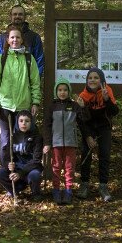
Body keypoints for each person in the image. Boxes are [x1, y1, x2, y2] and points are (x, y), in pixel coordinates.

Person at [0, 24, 41, 168]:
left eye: (17, 37)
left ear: (22, 40)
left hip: (24, 106)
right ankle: (7, 172)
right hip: (5, 106)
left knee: (23, 141)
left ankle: (22, 171)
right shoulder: (2, 58)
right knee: (6, 141)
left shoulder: (29, 58)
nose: (15, 40)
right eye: (12, 37)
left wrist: (35, 102)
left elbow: (35, 82)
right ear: (7, 40)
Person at [43, 77, 88, 205]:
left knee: (69, 168)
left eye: (65, 90)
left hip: (70, 143)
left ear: (69, 91)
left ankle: (68, 190)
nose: (62, 92)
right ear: (56, 91)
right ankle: (56, 190)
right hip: (56, 143)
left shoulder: (74, 106)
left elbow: (84, 120)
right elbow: (46, 126)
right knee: (56, 167)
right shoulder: (52, 106)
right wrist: (47, 143)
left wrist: (82, 107)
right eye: (60, 90)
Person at [76, 68, 119, 202]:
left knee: (104, 155)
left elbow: (114, 112)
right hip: (89, 128)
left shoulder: (107, 91)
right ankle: (84, 185)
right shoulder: (82, 96)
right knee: (86, 154)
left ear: (101, 80)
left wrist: (107, 100)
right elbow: (81, 121)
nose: (93, 80)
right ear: (87, 80)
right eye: (90, 78)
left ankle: (103, 186)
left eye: (96, 78)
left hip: (104, 127)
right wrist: (88, 136)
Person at [0, 110, 43, 202]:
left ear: (31, 123)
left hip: (30, 169)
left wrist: (20, 174)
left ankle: (36, 193)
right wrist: (9, 164)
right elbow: (7, 155)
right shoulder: (13, 137)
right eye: (21, 121)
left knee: (35, 175)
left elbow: (36, 160)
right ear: (17, 122)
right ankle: (14, 190)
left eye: (27, 121)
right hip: (16, 168)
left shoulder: (37, 138)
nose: (24, 123)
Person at [0, 5, 44, 76]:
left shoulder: (34, 37)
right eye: (15, 14)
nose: (17, 16)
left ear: (25, 17)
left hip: (26, 83)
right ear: (10, 16)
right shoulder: (1, 39)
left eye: (20, 14)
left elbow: (39, 62)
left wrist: (34, 82)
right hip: (6, 83)